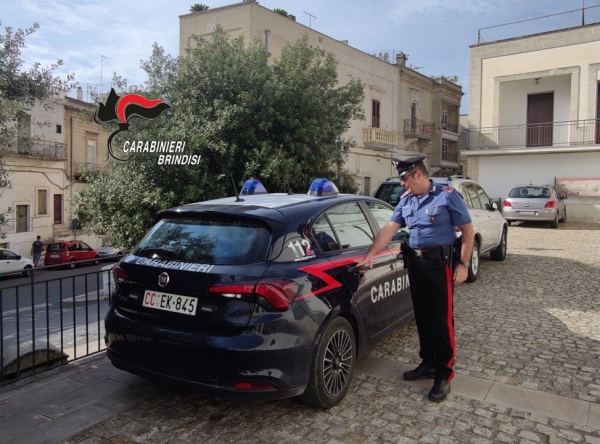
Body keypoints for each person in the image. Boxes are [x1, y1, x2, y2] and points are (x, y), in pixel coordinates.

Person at [355, 156, 474, 402]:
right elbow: (390, 228)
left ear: (418, 175)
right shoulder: (406, 200)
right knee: (422, 316)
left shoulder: (447, 196)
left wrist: (463, 264)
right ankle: (428, 362)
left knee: (442, 320)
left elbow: (468, 232)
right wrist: (371, 255)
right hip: (416, 265)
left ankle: (443, 374)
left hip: (440, 265)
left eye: (405, 179)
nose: (403, 185)